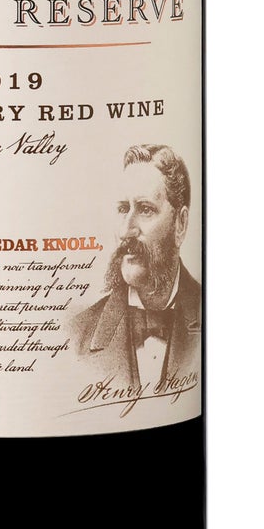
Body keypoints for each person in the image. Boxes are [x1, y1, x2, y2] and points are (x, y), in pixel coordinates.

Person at [73, 143, 201, 390]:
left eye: (145, 209)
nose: (125, 231)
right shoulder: (80, 333)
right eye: (123, 209)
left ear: (181, 224)